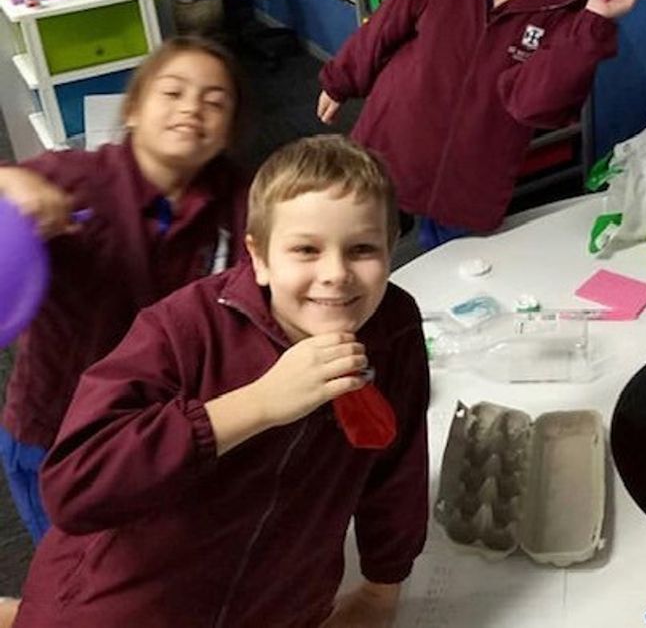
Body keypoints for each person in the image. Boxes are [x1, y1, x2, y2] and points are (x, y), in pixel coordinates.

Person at [12, 134, 428, 627]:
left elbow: (397, 469)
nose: (336, 273)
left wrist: (382, 587)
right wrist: (258, 404)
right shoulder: (185, 328)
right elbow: (75, 486)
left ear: (391, 249)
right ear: (260, 258)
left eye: (362, 249)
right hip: (125, 608)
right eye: (306, 249)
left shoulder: (392, 327)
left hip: (279, 607)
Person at [316, 0, 640, 247]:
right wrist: (341, 79)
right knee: (358, 246)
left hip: (469, 174)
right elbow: (387, 24)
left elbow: (537, 105)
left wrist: (595, 20)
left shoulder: (571, 12)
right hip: (395, 139)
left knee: (448, 270)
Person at [0, 35, 250, 545]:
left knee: (155, 560)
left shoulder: (236, 201)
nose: (192, 108)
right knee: (74, 568)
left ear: (228, 132)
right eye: (173, 92)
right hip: (59, 432)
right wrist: (10, 182)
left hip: (161, 426)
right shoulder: (76, 178)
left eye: (214, 101)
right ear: (133, 110)